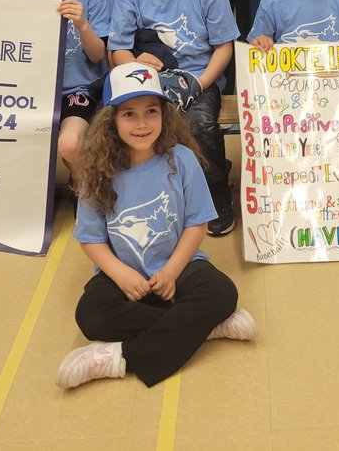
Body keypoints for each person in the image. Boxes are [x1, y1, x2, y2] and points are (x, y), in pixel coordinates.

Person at [57, 61, 255, 390]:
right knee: (91, 315)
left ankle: (118, 358)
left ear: (165, 115)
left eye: (151, 111)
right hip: (125, 273)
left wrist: (172, 271)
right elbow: (91, 240)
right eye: (129, 114)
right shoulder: (98, 171)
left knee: (221, 293)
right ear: (111, 120)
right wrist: (122, 275)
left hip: (179, 265)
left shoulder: (182, 159)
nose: (142, 123)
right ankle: (205, 326)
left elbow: (197, 225)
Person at [109, 0, 240, 236]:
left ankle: (215, 190)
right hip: (147, 79)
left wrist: (200, 83)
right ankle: (144, 196)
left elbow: (225, 46)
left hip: (198, 77)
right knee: (128, 123)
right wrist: (138, 67)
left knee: (199, 125)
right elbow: (117, 49)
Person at [15, 0, 110, 170]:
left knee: (70, 143)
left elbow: (97, 56)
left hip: (78, 89)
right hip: (31, 92)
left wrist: (83, 25)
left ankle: (82, 188)